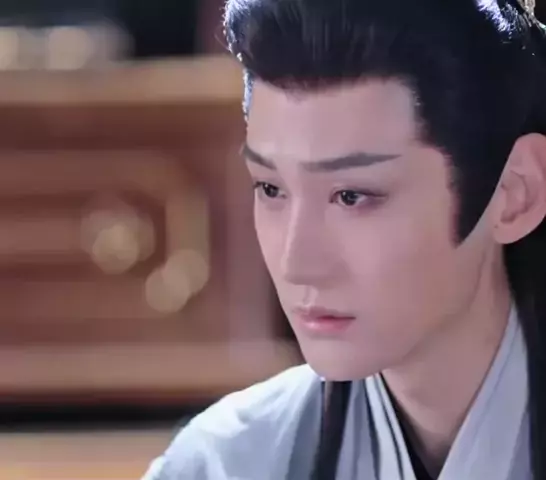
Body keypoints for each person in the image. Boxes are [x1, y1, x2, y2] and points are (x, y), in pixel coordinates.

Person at [142, 0, 546, 478]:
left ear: (513, 193)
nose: (296, 264)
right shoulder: (225, 464)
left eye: (352, 196)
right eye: (270, 189)